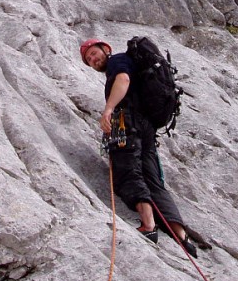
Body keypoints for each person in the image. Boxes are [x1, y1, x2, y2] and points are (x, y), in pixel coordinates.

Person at [81, 37, 198, 257]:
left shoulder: (117, 61)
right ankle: (181, 237)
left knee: (127, 172)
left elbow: (123, 79)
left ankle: (149, 226)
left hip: (128, 123)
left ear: (106, 49)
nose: (93, 60)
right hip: (146, 128)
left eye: (94, 54)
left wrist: (108, 110)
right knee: (153, 180)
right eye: (89, 60)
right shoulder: (132, 64)